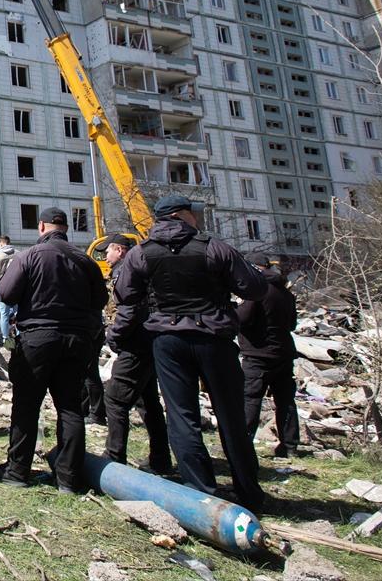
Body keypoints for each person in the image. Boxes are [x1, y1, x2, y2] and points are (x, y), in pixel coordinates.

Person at [112, 194, 269, 512]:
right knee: (231, 416)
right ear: (183, 215)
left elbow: (125, 293)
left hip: (167, 340)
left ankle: (200, 492)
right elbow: (255, 288)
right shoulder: (213, 247)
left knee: (181, 417)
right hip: (213, 339)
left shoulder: (142, 253)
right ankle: (248, 491)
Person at [0, 207, 107, 493]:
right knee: (70, 408)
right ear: (66, 227)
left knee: (27, 405)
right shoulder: (84, 260)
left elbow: (5, 293)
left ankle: (17, 473)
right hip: (76, 340)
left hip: (37, 339)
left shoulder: (28, 256)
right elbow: (101, 299)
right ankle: (68, 479)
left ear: (41, 226)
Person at [101, 234, 172, 475]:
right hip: (149, 342)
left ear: (119, 251)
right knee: (148, 401)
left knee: (115, 398)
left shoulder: (126, 271)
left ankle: (114, 457)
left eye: (107, 252)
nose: (105, 257)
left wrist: (114, 335)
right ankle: (160, 459)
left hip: (135, 344)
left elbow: (128, 309)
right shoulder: (142, 269)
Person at [238, 253, 300, 458]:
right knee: (285, 400)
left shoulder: (256, 290)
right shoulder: (286, 293)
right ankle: (289, 446)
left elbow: (243, 318)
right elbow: (292, 324)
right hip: (283, 352)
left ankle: (243, 444)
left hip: (258, 354)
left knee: (250, 398)